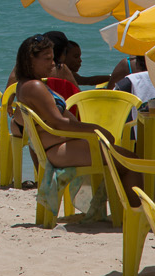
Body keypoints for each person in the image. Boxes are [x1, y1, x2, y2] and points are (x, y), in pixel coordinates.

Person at [9, 34, 106, 172]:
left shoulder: (27, 83)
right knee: (125, 160)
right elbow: (58, 121)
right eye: (48, 59)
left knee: (120, 157)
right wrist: (95, 129)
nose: (53, 63)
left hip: (39, 137)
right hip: (56, 147)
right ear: (31, 60)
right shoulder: (35, 85)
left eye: (52, 58)